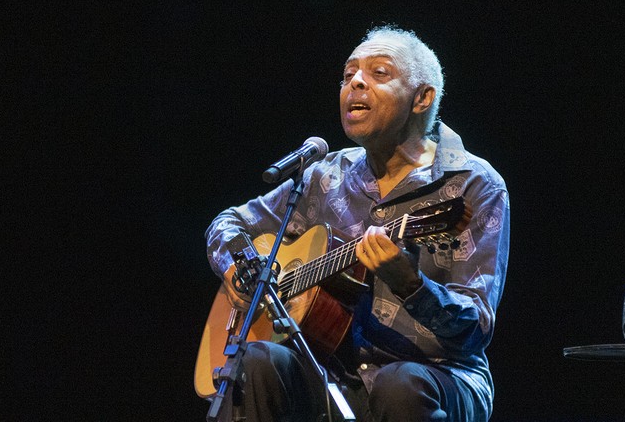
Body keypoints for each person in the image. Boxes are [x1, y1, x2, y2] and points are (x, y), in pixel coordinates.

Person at [205, 25, 510, 421]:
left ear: (422, 98)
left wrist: (412, 286)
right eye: (348, 75)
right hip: (331, 373)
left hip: (440, 374)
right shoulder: (325, 175)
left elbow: (475, 331)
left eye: (378, 73)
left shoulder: (473, 185)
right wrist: (238, 269)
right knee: (255, 359)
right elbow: (228, 223)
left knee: (399, 386)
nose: (356, 83)